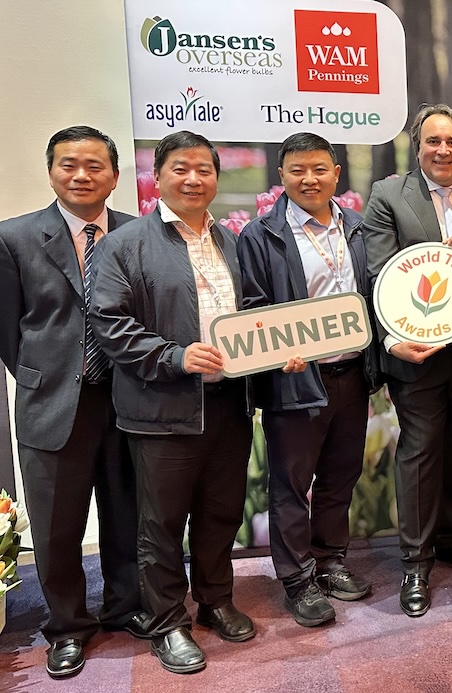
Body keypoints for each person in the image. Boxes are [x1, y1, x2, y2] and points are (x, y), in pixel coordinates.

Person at [90, 131, 302, 675]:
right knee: (160, 524)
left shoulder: (229, 241)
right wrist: (174, 356)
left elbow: (250, 312)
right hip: (161, 409)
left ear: (216, 178)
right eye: (180, 169)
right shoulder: (124, 243)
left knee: (220, 511)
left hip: (229, 404)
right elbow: (110, 324)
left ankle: (215, 600)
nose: (193, 179)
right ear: (157, 177)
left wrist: (277, 347)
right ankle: (167, 622)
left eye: (204, 169)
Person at [0, 126, 147, 679]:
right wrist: (48, 376)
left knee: (128, 512)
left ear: (114, 176)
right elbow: (8, 330)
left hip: (129, 398)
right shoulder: (13, 237)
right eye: (68, 164)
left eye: (94, 165)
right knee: (56, 525)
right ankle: (66, 626)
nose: (81, 175)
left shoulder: (138, 233)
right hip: (54, 402)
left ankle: (125, 606)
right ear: (51, 172)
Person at [362, 104, 452, 617]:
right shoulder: (388, 196)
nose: (443, 151)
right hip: (416, 352)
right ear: (417, 147)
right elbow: (378, 273)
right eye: (432, 141)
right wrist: (389, 339)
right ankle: (415, 562)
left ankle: (449, 537)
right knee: (420, 451)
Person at [237, 132, 379, 626]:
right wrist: (277, 351)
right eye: (297, 170)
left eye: (319, 169)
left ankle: (330, 561)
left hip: (351, 373)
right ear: (282, 176)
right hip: (296, 379)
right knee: (292, 484)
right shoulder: (261, 235)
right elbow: (252, 306)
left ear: (336, 174)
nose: (309, 179)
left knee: (341, 477)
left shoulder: (357, 227)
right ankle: (297, 580)